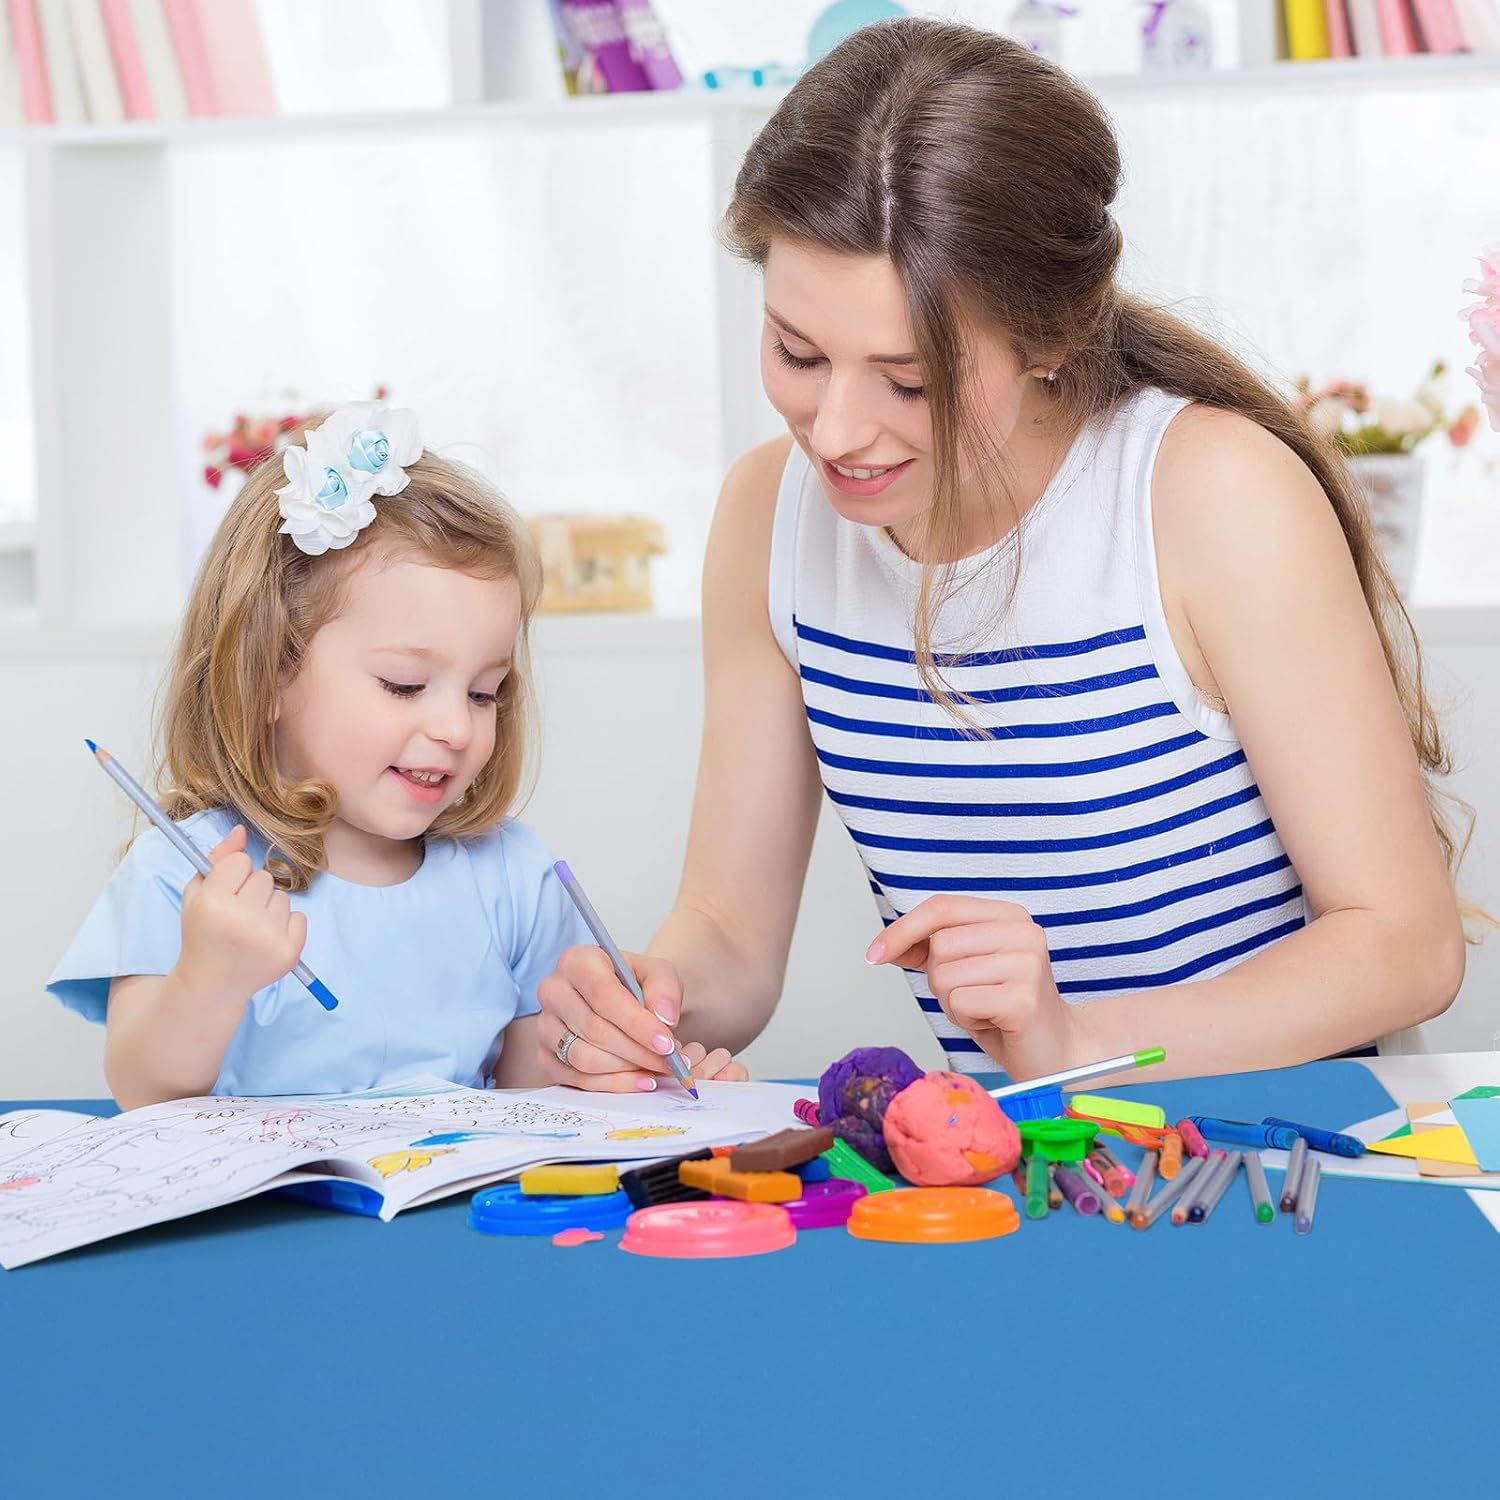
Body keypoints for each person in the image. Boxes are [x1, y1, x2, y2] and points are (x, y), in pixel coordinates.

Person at [536, 18, 1472, 1091]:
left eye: (911, 381)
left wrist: (1076, 1043)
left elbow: (1403, 946)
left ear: (1052, 338)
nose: (836, 430)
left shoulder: (1208, 496)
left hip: (1284, 1169)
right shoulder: (769, 521)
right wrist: (650, 999)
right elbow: (730, 933)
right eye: (798, 353)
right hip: (1014, 1181)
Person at [47, 402, 740, 1107]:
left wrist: (618, 1061)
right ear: (268, 675)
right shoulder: (183, 875)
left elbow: (528, 1078)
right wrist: (209, 978)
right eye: (405, 685)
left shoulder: (513, 879)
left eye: (483, 693)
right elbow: (140, 1089)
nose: (457, 730)